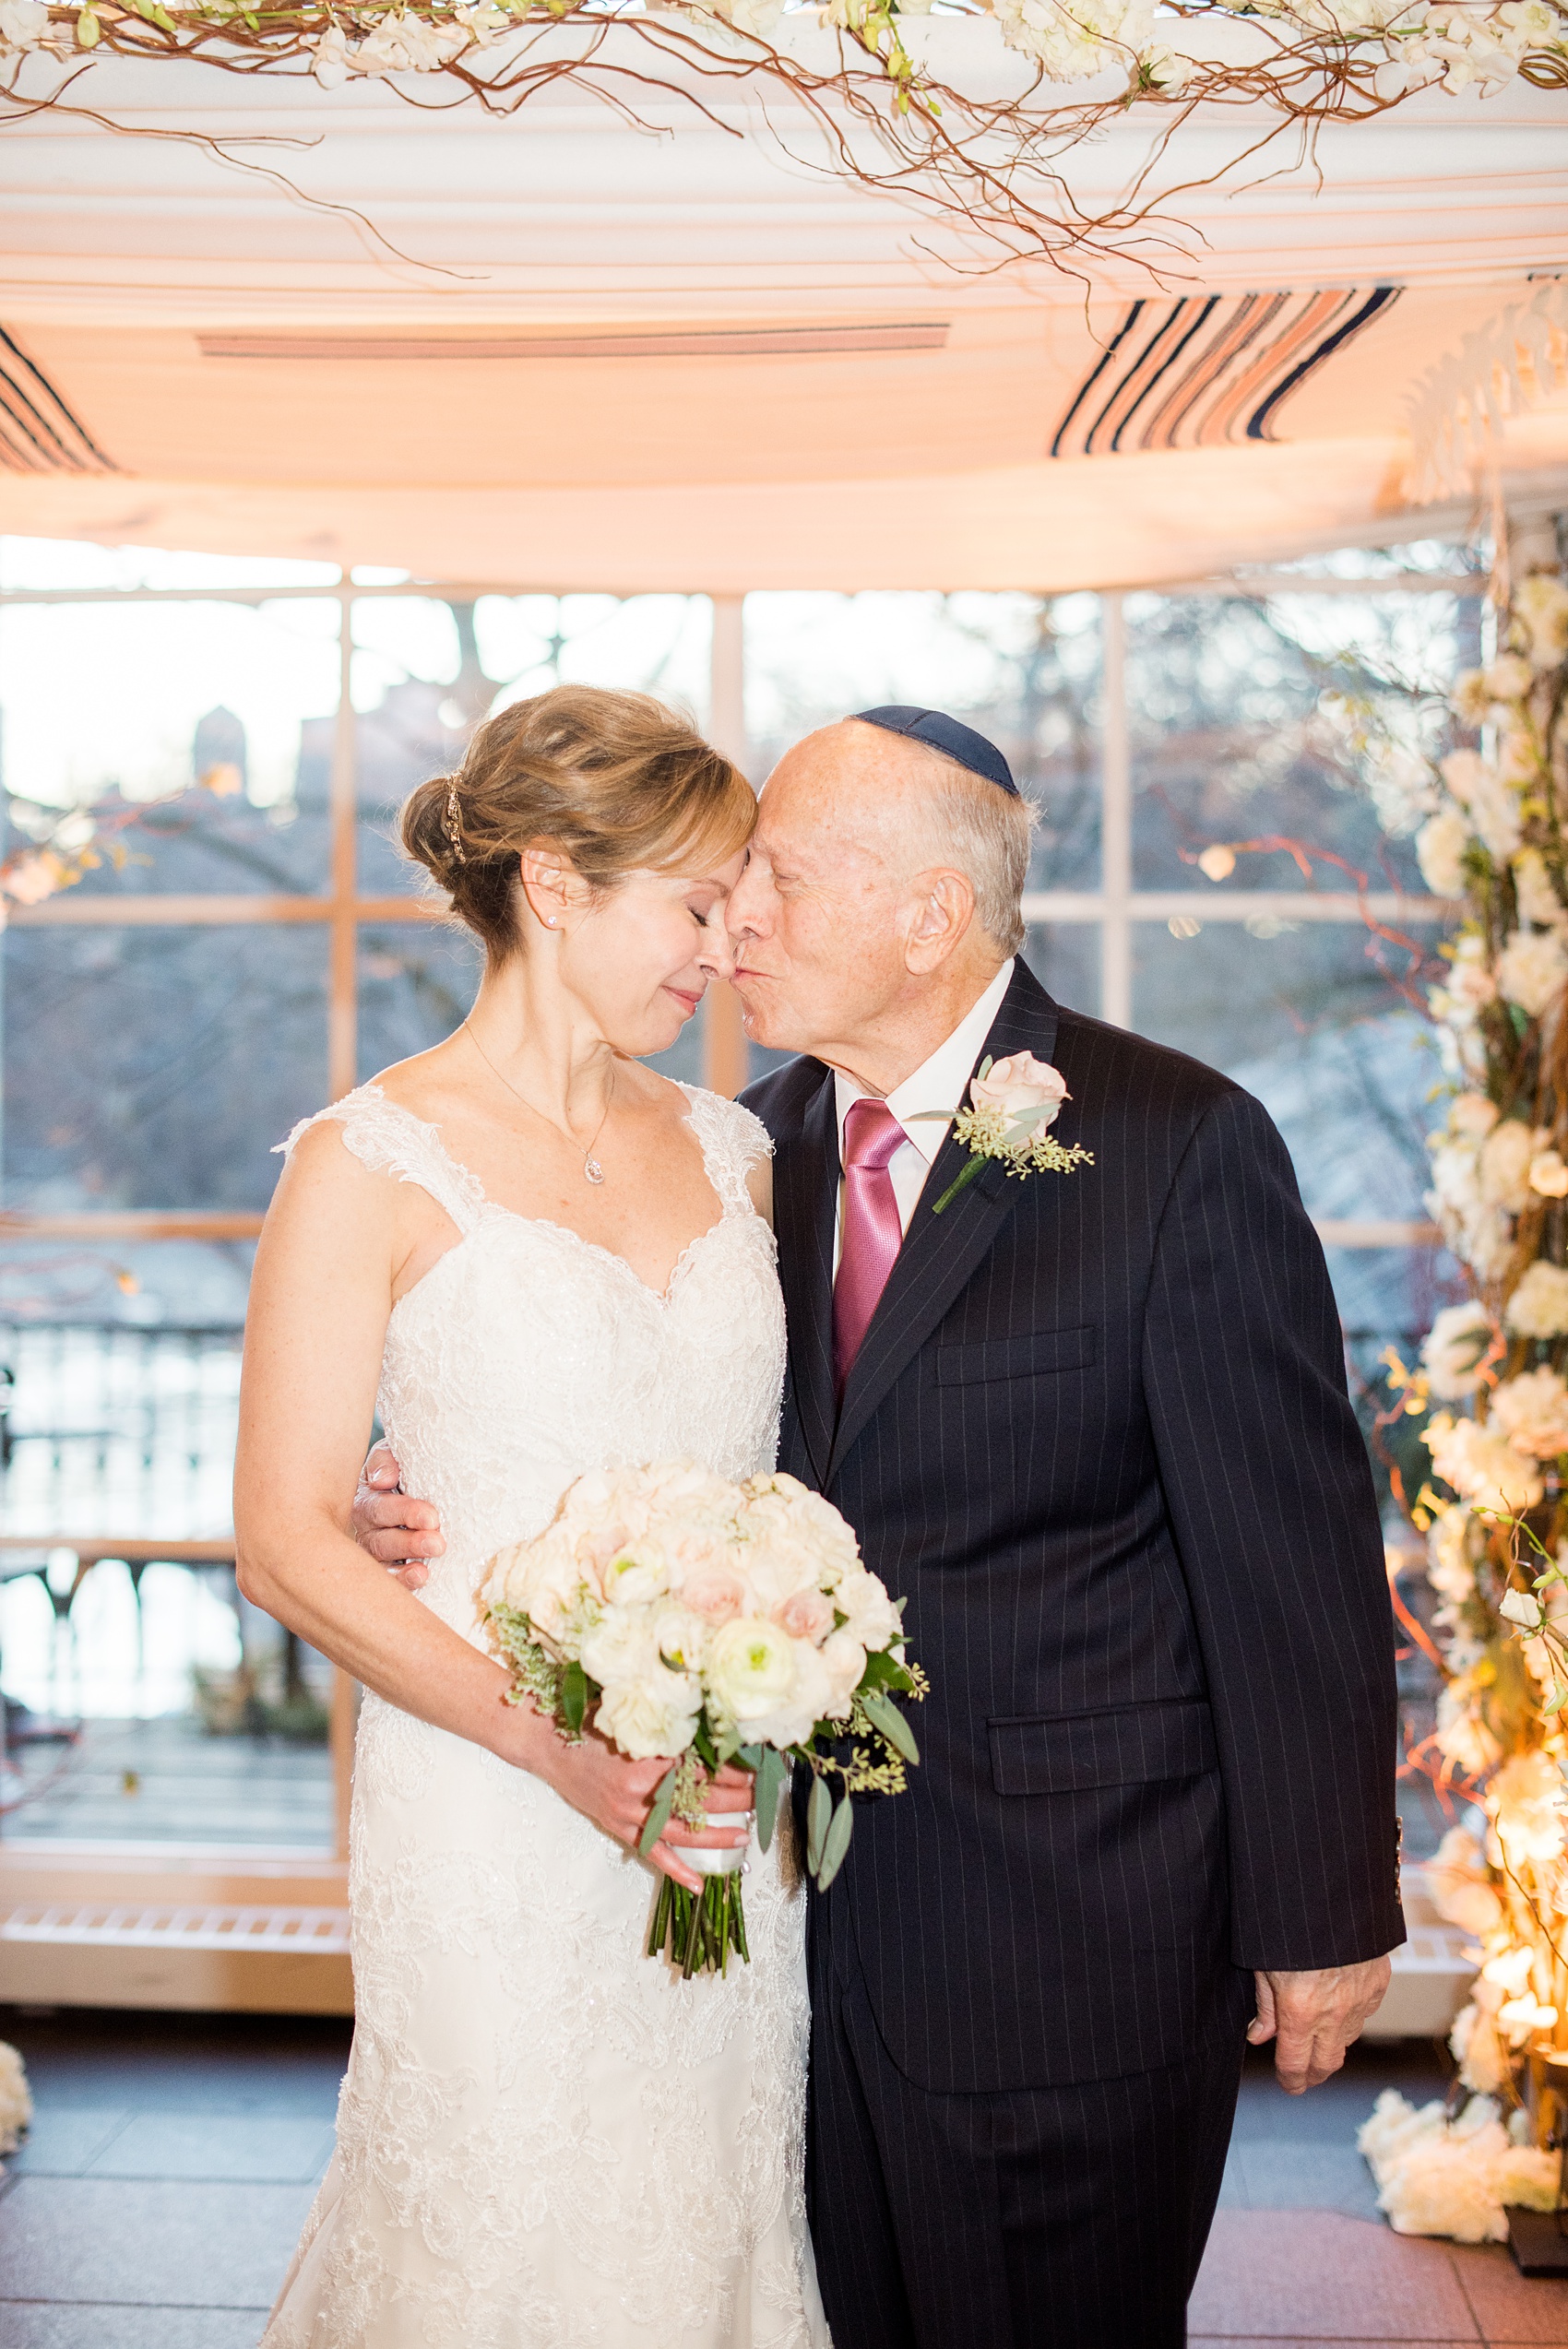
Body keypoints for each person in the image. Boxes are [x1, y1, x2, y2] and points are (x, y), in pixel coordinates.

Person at [357, 704, 1405, 2349]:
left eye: (778, 876)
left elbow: (1293, 1566)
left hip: (1070, 1938)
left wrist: (1326, 1914)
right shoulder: (735, 1155)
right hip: (775, 1950)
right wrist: (418, 1495)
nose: (736, 917)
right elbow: (658, 1438)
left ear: (933, 913)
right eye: (728, 881)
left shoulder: (1174, 1144)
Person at [235, 684, 829, 2349]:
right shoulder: (369, 1161)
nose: (728, 945)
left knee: (707, 2208)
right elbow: (283, 1538)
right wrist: (551, 1745)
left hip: (724, 1799)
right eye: (697, 903)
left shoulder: (739, 1151)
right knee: (498, 2236)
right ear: (556, 885)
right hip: (486, 1805)